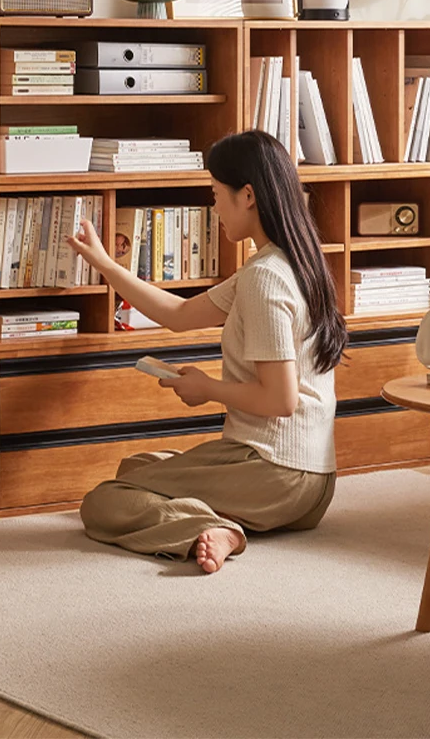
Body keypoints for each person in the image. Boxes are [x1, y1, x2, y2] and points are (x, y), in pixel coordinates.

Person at [66, 129, 347, 574]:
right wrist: (104, 264)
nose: (214, 209)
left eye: (217, 195)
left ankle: (222, 530)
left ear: (248, 195)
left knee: (104, 502)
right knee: (136, 466)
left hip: (274, 471)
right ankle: (231, 517)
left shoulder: (265, 278)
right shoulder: (291, 262)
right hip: (313, 485)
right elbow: (178, 313)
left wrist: (207, 388)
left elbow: (280, 400)